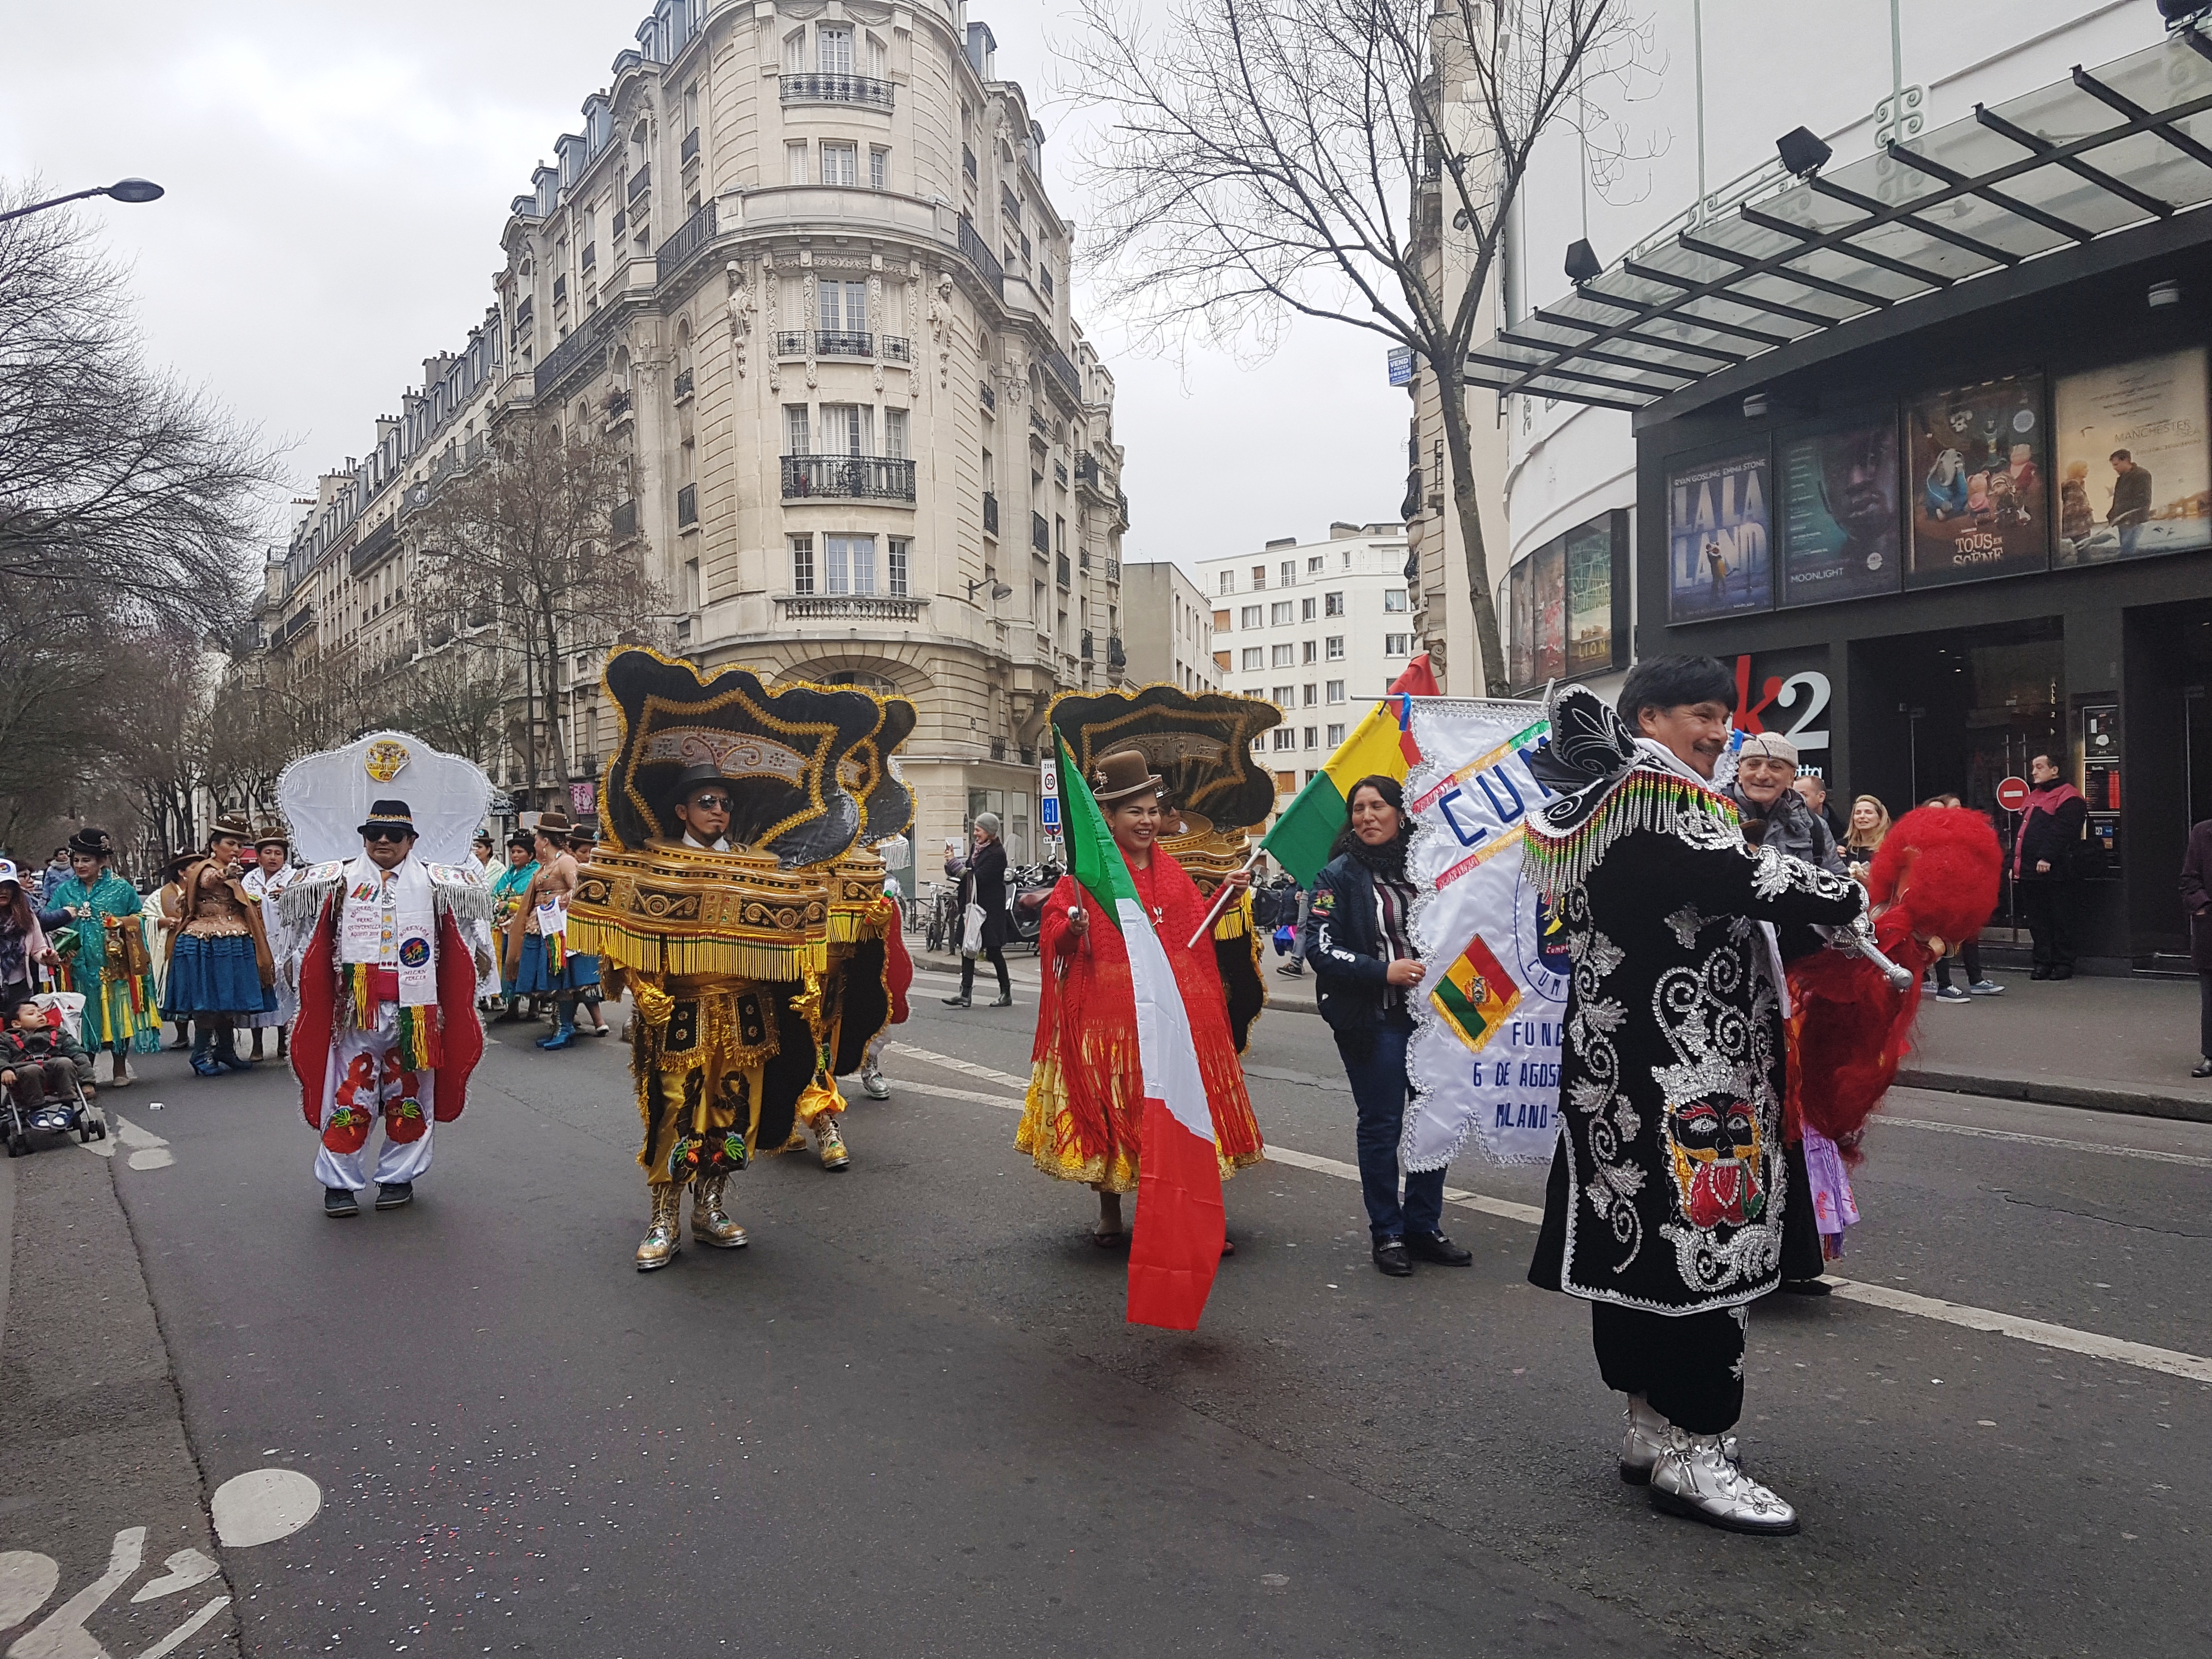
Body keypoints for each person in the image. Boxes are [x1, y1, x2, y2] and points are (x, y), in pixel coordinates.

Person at [1523, 658, 1865, 1537]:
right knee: (1705, 1252)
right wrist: (1858, 891)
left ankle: (1649, 1425)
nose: (1720, 734)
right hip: (1692, 1080)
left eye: (1724, 717)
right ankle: (1698, 1449)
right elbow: (1752, 880)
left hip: (1617, 1080)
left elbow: (1717, 901)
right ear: (1647, 719)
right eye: (1703, 715)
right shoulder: (1655, 801)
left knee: (1634, 1249)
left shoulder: (1594, 804)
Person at [1018, 749, 1264, 1247]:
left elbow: (1192, 937)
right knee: (1115, 1111)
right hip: (1109, 1020)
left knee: (1184, 1111)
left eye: (1153, 810)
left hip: (1173, 1016)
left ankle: (1196, 1215)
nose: (1148, 821)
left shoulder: (1173, 875)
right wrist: (1071, 928)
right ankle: (1110, 1211)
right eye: (1135, 811)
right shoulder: (1086, 878)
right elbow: (1055, 938)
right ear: (1109, 817)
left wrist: (1226, 898)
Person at [1303, 776, 1472, 1279]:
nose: (1367, 816)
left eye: (1378, 806)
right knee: (1383, 1126)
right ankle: (1388, 1232)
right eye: (1359, 809)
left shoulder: (1430, 869)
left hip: (1436, 1020)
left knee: (1434, 1122)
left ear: (1401, 813)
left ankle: (1423, 1226)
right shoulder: (1335, 877)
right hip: (1374, 1020)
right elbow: (1319, 948)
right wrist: (1383, 971)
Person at [285, 799, 488, 1217]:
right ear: (363, 838)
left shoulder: (437, 883)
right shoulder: (337, 881)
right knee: (349, 1098)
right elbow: (308, 937)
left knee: (408, 1098)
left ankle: (398, 1177)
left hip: (417, 1014)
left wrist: (479, 963)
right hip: (356, 1014)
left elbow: (466, 938)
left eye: (394, 835)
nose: (382, 841)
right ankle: (339, 1183)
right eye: (373, 833)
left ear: (411, 841)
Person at [45, 828, 162, 1086]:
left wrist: (120, 924)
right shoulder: (64, 890)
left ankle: (120, 1069)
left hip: (114, 964)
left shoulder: (121, 888)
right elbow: (49, 920)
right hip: (78, 966)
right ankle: (87, 1073)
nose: (80, 865)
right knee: (84, 1020)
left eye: (86, 860)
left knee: (119, 1017)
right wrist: (62, 943)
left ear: (101, 862)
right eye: (76, 860)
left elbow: (140, 917)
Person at [167, 813, 279, 1076]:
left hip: (233, 941)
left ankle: (225, 1049)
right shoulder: (205, 868)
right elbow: (208, 880)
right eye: (230, 843)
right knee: (208, 1000)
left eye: (240, 845)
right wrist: (224, 874)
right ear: (214, 845)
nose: (236, 849)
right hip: (206, 943)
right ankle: (201, 1054)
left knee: (227, 999)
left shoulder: (232, 870)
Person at [504, 811, 589, 1047]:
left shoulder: (566, 862)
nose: (534, 843)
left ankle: (565, 1027)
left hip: (557, 930)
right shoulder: (547, 865)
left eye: (536, 839)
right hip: (540, 928)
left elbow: (579, 889)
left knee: (561, 980)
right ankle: (559, 1026)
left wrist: (559, 901)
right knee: (552, 981)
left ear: (545, 841)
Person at [1725, 733, 1844, 874]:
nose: (1762, 775)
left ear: (1791, 777)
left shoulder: (1814, 826)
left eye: (1775, 767)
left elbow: (1839, 881)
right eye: (1754, 765)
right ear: (1740, 771)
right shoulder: (1713, 814)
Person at [2015, 753, 2086, 980]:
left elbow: (2064, 831)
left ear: (2054, 770)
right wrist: (2014, 863)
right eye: (2033, 768)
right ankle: (2043, 962)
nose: (2034, 772)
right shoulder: (2034, 795)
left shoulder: (2069, 796)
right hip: (2029, 868)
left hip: (2056, 869)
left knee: (2060, 917)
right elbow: (2022, 833)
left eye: (2039, 767)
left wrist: (2047, 857)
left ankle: (2063, 963)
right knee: (2037, 920)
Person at [942, 812, 1012, 1008]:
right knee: (968, 949)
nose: (975, 834)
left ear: (989, 832)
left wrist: (954, 863)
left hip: (989, 910)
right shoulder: (976, 849)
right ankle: (965, 993)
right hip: (972, 907)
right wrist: (950, 863)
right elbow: (967, 871)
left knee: (994, 951)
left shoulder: (997, 855)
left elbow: (976, 878)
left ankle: (1006, 992)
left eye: (978, 830)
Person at [240, 826, 298, 1061]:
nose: (273, 858)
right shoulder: (249, 879)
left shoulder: (294, 878)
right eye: (268, 852)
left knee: (284, 992)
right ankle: (257, 1045)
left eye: (278, 853)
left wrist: (290, 896)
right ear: (258, 856)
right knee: (260, 991)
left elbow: (308, 908)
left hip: (285, 943)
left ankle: (284, 1041)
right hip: (258, 943)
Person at [1, 994, 94, 1119]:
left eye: (41, 1012)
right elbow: (1, 1057)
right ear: (16, 1024)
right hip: (24, 1079)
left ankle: (67, 1105)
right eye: (31, 1014)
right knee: (32, 1070)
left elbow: (79, 1055)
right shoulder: (6, 1039)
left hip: (56, 1076)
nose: (40, 1015)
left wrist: (87, 1082)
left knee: (65, 1062)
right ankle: (36, 1110)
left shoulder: (59, 1034)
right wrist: (5, 1069)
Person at [0, 860, 65, 1013]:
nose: (4, 891)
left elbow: (39, 949)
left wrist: (47, 956)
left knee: (22, 1028)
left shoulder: (27, 916)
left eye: (9, 886)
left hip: (21, 989)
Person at [566, 827, 611, 1036]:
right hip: (570, 927)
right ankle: (589, 1019)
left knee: (585, 975)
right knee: (578, 976)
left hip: (591, 930)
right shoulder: (571, 869)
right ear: (572, 851)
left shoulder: (597, 869)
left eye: (591, 851)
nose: (588, 856)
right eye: (583, 851)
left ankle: (591, 1019)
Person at [488, 833, 539, 1020]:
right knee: (509, 964)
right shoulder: (508, 875)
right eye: (513, 852)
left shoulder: (536, 873)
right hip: (506, 927)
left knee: (527, 965)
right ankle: (513, 1006)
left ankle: (534, 1005)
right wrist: (499, 906)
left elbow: (532, 900)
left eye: (520, 852)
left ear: (531, 855)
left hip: (527, 927)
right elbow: (495, 895)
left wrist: (511, 904)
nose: (515, 855)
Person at [151, 854, 195, 1049]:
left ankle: (209, 1036)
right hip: (175, 948)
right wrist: (162, 922)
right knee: (179, 989)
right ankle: (182, 1034)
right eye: (194, 868)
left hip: (202, 947)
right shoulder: (161, 896)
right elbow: (145, 917)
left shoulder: (207, 891)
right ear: (182, 872)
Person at [2183, 816, 2212, 1079]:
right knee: (2210, 996)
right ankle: (2211, 1055)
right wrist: (2202, 906)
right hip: (2210, 929)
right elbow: (2189, 879)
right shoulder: (2203, 832)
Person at [2108, 448, 2152, 558]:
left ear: (2126, 461)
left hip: (2134, 521)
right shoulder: (2122, 477)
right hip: (2124, 521)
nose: (2114, 468)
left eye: (2116, 464)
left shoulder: (2142, 475)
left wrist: (2124, 515)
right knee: (2126, 551)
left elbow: (2144, 500)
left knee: (2127, 552)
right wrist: (2112, 515)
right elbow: (2118, 499)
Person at [1841, 794, 1889, 883]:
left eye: (1868, 812)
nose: (1862, 816)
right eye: (1858, 813)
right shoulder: (1843, 847)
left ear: (1880, 818)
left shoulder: (1889, 847)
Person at [1789, 772, 1845, 843]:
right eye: (1793, 796)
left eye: (1803, 795)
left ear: (1821, 797)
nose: (1796, 800)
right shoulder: (1785, 825)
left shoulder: (1843, 832)